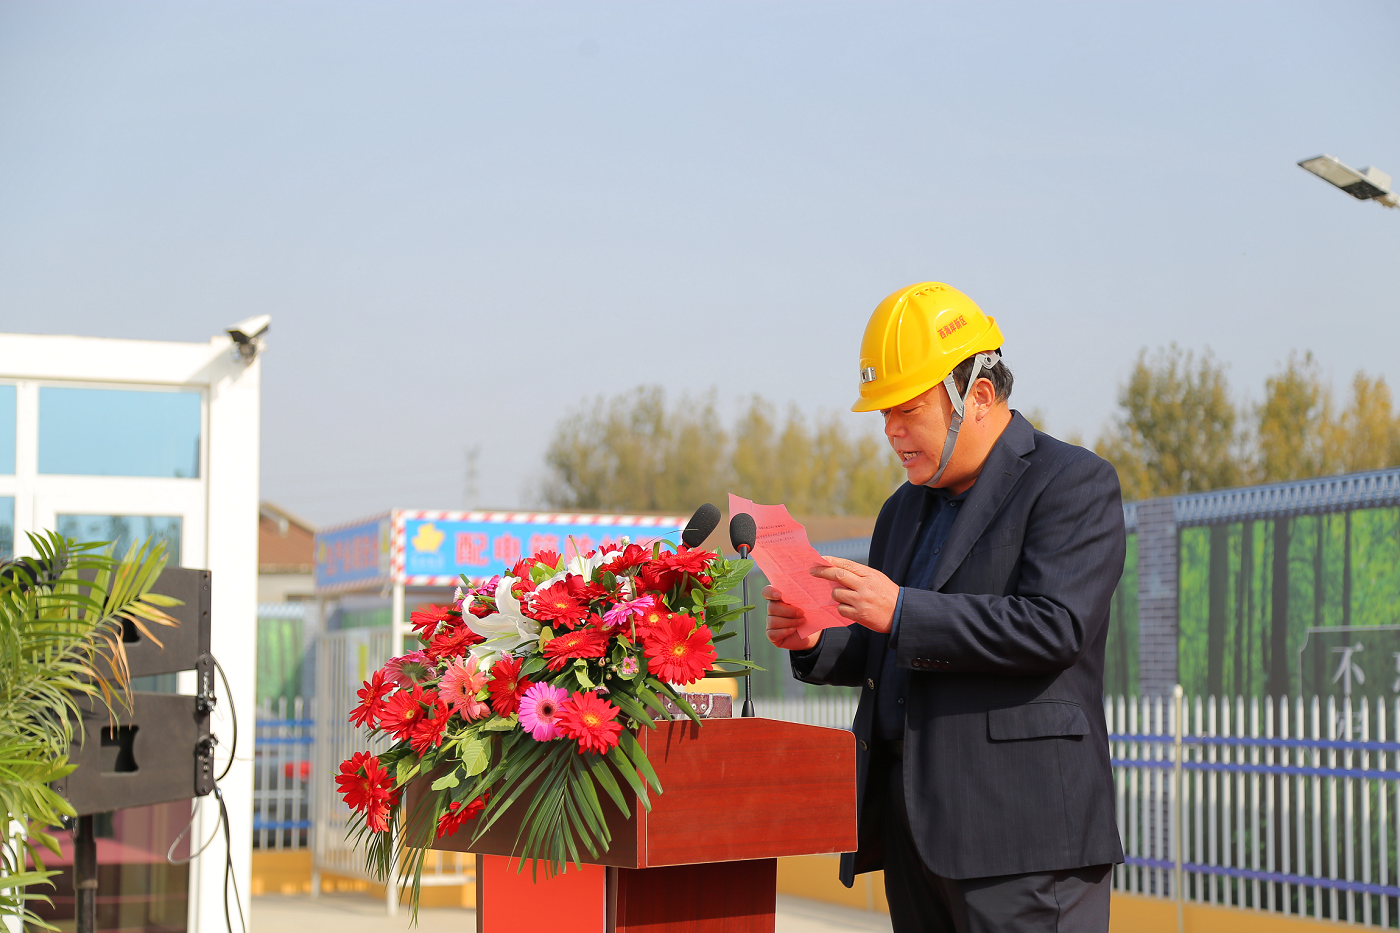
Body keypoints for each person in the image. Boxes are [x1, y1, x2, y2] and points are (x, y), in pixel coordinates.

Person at [765, 282, 1126, 933]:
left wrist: (901, 611)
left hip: (1023, 842)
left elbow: (1055, 626)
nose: (891, 431)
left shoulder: (1071, 482)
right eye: (884, 415)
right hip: (916, 832)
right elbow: (892, 646)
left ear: (978, 396)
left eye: (907, 410)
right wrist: (815, 638)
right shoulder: (902, 509)